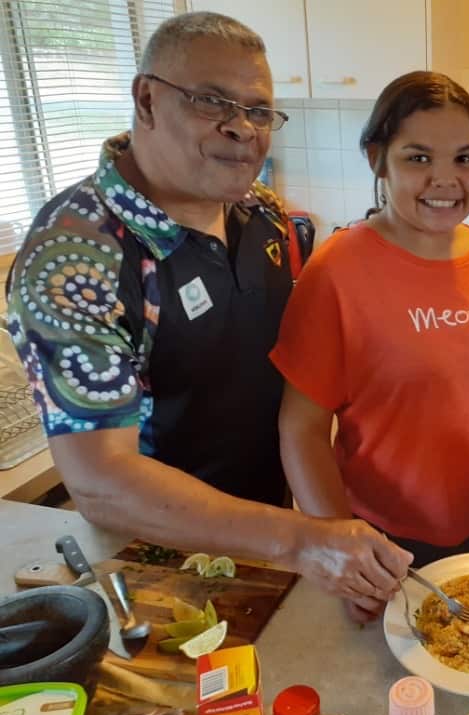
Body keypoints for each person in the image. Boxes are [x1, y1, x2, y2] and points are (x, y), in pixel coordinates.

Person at [4, 12, 412, 610]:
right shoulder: (77, 253)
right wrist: (303, 541)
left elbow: (293, 375)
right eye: (211, 101)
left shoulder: (263, 214)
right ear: (146, 98)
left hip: (271, 543)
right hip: (155, 572)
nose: (242, 129)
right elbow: (100, 483)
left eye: (257, 110)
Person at [270, 71, 469, 621]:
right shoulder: (338, 270)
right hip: (390, 544)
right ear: (377, 159)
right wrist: (344, 549)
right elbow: (301, 430)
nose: (446, 180)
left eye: (465, 158)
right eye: (418, 158)